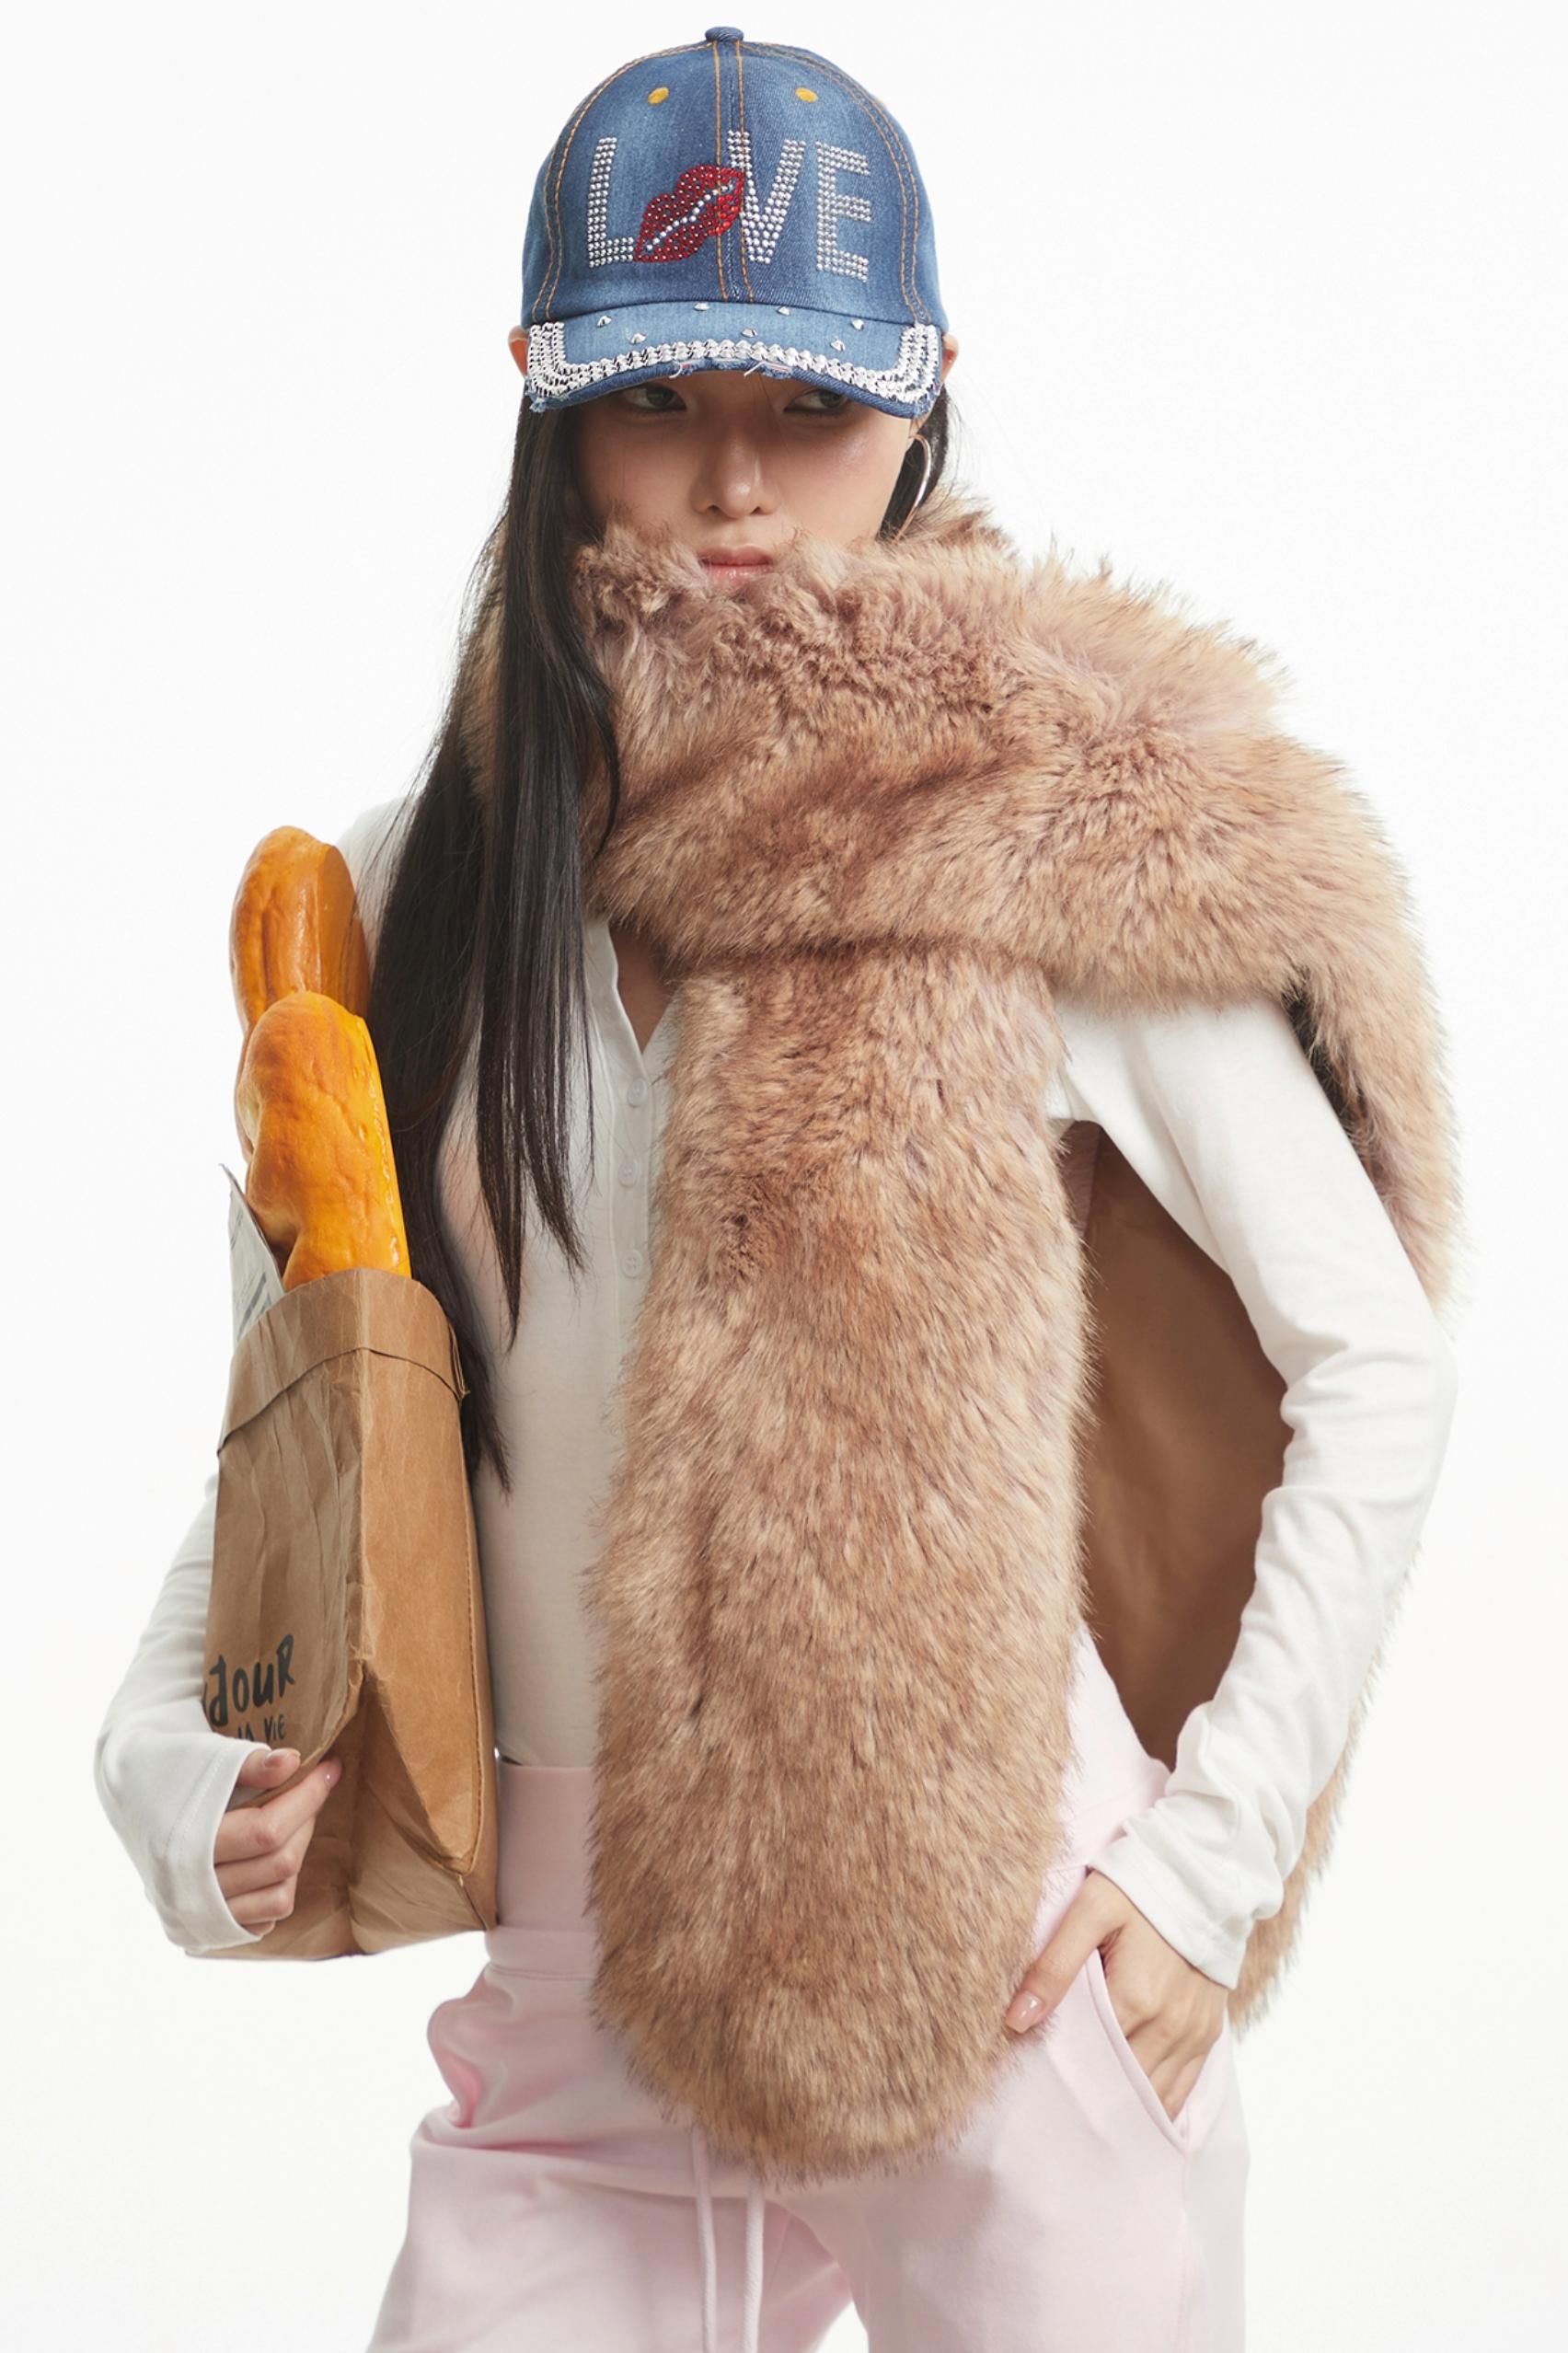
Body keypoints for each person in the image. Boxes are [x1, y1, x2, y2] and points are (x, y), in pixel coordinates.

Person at [93, 28, 1461, 2352]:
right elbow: (295, 1442)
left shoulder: (1029, 844)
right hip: (571, 2006)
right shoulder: (418, 905)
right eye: (658, 399)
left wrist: (1208, 1871)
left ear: (921, 405)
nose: (735, 483)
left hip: (980, 1972)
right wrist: (167, 1777)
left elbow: (1378, 1360)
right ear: (547, 405)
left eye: (809, 409)